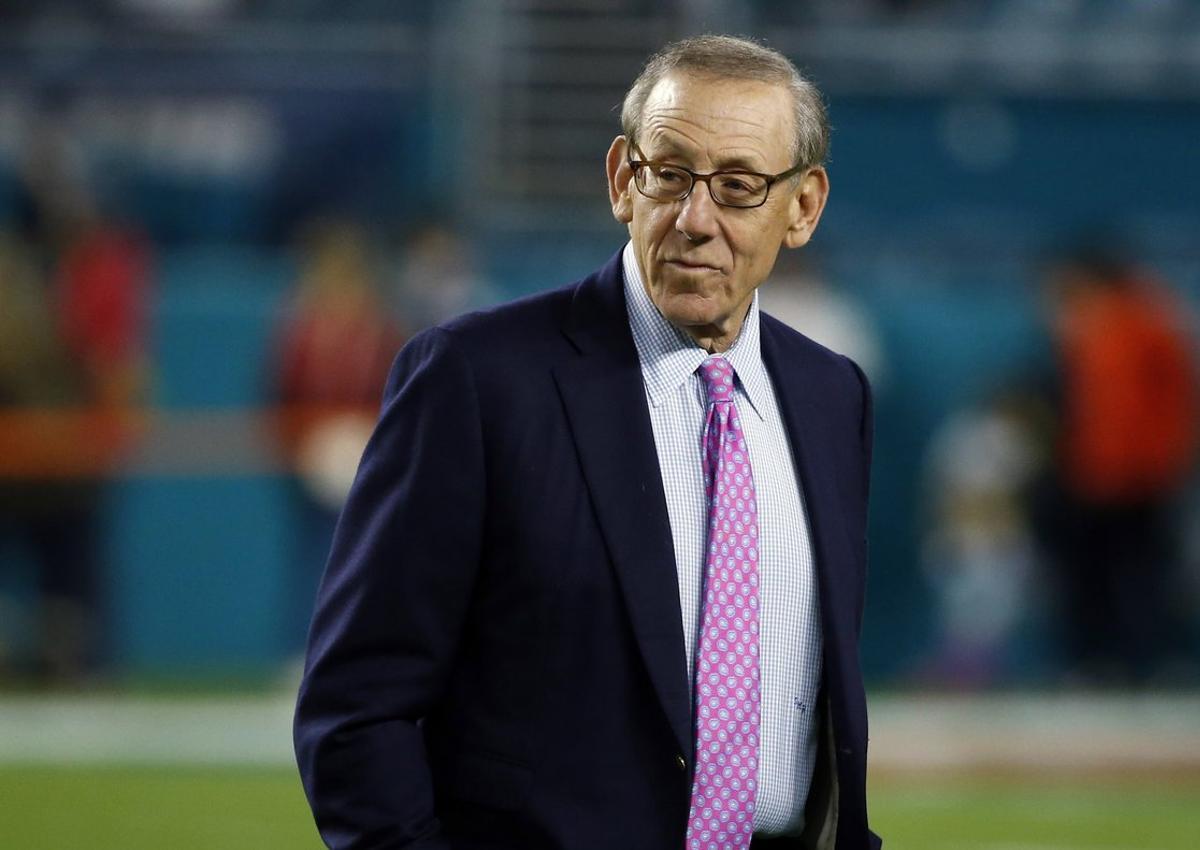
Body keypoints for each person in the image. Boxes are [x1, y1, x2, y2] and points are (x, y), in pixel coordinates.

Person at [295, 35, 880, 850]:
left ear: (804, 207)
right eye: (669, 175)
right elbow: (359, 709)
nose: (695, 219)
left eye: (739, 187)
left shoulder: (831, 396)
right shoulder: (476, 379)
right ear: (621, 180)